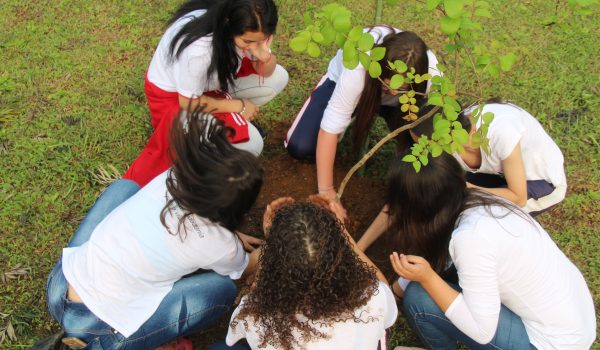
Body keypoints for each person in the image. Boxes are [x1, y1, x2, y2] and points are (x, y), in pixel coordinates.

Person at [46, 109, 265, 349]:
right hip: (100, 330)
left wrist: (228, 235)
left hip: (60, 287)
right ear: (236, 211)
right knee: (221, 291)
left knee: (124, 188)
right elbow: (245, 267)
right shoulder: (220, 245)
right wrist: (276, 243)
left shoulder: (173, 177)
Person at [386, 152, 595, 349]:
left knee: (419, 299)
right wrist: (394, 290)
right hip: (573, 321)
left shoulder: (470, 239)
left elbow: (482, 331)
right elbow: (442, 257)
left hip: (551, 343)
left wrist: (427, 278)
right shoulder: (479, 201)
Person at [124, 0, 288, 187]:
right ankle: (202, 159)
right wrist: (238, 106)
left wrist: (264, 53)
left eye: (263, 39)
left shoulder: (249, 30)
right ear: (228, 23)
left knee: (278, 77)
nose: (253, 46)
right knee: (252, 144)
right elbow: (188, 102)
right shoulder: (200, 50)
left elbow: (266, 71)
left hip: (208, 87)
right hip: (175, 102)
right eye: (248, 41)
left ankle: (214, 134)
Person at [210, 199, 398, 350]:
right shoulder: (373, 297)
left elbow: (240, 327)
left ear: (273, 265)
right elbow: (382, 286)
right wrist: (342, 232)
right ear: (340, 256)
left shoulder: (258, 317)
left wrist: (271, 240)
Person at [285, 26, 440, 206]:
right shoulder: (358, 68)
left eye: (400, 87)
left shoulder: (431, 78)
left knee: (422, 143)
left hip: (402, 105)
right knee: (301, 146)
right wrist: (327, 192)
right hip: (352, 87)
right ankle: (353, 112)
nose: (390, 91)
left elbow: (435, 137)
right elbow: (330, 127)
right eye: (386, 84)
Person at [412, 101, 567, 215]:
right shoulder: (453, 132)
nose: (423, 151)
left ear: (448, 139)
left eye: (427, 146)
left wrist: (467, 187)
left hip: (537, 181)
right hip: (497, 173)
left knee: (479, 216)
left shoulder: (502, 134)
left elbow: (518, 197)